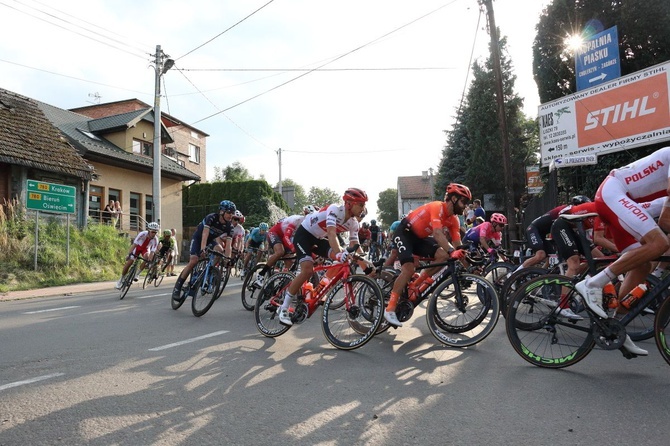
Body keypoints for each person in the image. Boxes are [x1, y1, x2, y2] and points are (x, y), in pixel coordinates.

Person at [575, 147, 670, 357]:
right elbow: (665, 222)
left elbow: (664, 219)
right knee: (659, 243)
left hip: (623, 200)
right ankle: (592, 283)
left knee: (643, 265)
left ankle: (616, 326)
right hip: (613, 193)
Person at [276, 188, 375, 326]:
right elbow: (332, 233)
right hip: (304, 235)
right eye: (361, 204)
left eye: (364, 204)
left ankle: (316, 290)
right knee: (307, 269)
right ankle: (284, 307)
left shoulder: (353, 223)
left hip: (318, 238)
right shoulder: (335, 209)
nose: (363, 208)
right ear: (349, 204)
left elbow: (355, 245)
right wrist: (340, 253)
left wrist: (365, 263)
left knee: (341, 259)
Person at [384, 183, 471, 327]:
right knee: (409, 268)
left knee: (443, 256)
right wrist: (451, 251)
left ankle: (416, 285)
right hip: (404, 232)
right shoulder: (438, 207)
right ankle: (390, 308)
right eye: (464, 202)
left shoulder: (453, 219)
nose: (465, 207)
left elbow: (457, 244)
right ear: (454, 199)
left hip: (419, 238)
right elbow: (437, 234)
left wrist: (469, 267)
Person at [172, 200, 236, 301]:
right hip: (198, 238)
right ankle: (177, 288)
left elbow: (228, 245)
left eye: (232, 213)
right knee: (193, 260)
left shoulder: (230, 227)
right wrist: (202, 249)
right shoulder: (211, 217)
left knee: (220, 251)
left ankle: (209, 270)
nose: (230, 215)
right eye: (228, 212)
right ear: (221, 211)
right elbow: (204, 234)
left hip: (210, 241)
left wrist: (227, 259)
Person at [255, 214, 308, 285]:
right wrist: (293, 248)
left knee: (290, 260)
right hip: (275, 233)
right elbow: (286, 237)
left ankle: (282, 283)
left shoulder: (309, 226)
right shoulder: (297, 220)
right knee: (280, 252)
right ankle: (261, 274)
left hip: (285, 237)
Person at [115, 221, 160, 289]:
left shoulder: (156, 240)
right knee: (130, 262)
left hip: (145, 249)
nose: (154, 234)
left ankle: (137, 274)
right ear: (148, 230)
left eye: (155, 232)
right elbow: (134, 245)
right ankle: (121, 279)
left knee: (147, 258)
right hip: (137, 247)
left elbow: (152, 252)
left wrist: (149, 261)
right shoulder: (142, 234)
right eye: (152, 232)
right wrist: (129, 254)